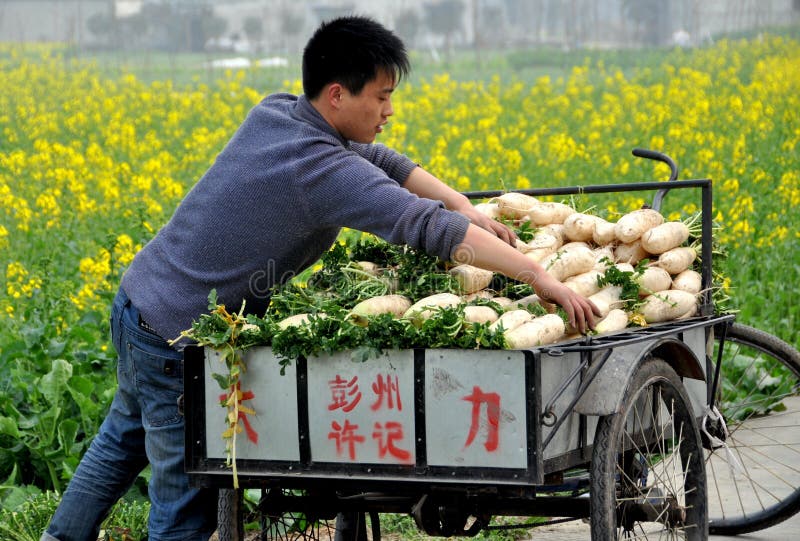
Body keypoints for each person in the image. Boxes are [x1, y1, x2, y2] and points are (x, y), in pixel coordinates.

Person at [42, 15, 598, 541]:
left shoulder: (280, 112)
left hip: (141, 300)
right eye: (381, 97)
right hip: (175, 333)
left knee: (121, 441)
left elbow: (381, 159)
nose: (388, 111)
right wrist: (535, 275)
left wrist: (463, 206)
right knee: (184, 493)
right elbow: (416, 223)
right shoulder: (320, 170)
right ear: (337, 94)